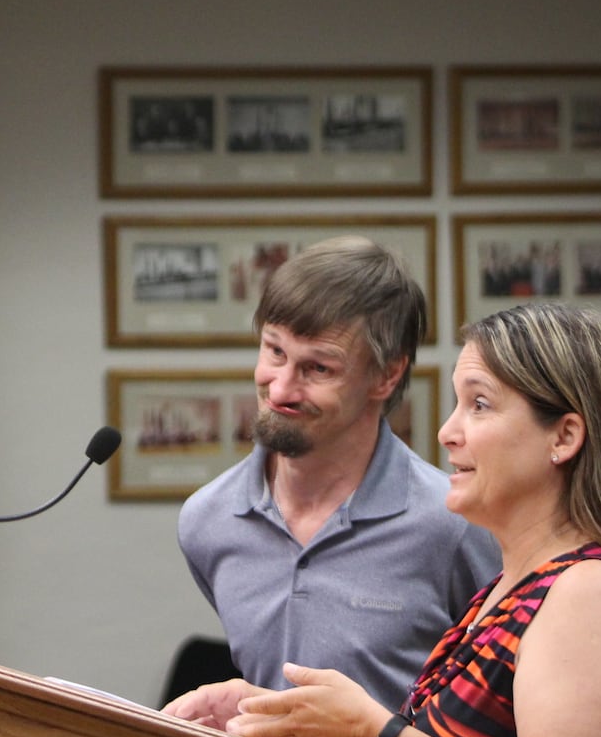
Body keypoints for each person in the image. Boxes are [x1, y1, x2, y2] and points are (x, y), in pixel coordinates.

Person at [169, 303, 601, 737]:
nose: (447, 432)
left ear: (565, 436)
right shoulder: (504, 590)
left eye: (479, 405)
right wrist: (278, 714)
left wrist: (371, 729)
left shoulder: (593, 592)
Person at [170, 236, 498, 710]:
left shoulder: (456, 523)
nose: (281, 388)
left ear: (386, 376)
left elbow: (501, 715)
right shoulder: (207, 519)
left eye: (318, 368)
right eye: (274, 351)